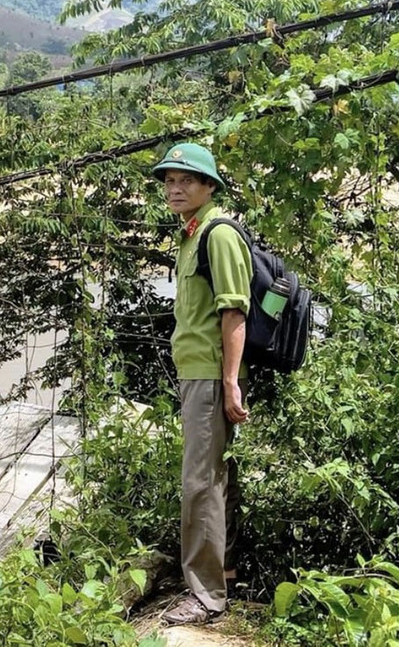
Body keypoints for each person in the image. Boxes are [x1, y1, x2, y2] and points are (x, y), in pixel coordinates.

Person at [153, 142, 253, 625]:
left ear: (209, 185)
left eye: (186, 180)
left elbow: (234, 312)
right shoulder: (191, 234)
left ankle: (207, 597)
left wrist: (230, 383)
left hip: (211, 377)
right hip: (197, 373)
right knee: (214, 480)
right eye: (170, 180)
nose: (175, 188)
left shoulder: (217, 234)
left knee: (199, 485)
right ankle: (224, 573)